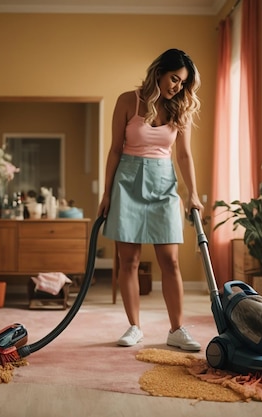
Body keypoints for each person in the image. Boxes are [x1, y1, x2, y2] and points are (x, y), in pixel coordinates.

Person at [97, 48, 204, 351]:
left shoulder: (179, 108)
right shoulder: (127, 101)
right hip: (127, 182)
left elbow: (183, 154)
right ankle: (134, 327)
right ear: (159, 72)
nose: (177, 87)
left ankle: (177, 329)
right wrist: (106, 194)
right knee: (128, 260)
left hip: (163, 185)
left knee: (169, 261)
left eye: (183, 83)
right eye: (174, 79)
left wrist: (193, 193)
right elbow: (115, 149)